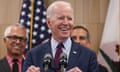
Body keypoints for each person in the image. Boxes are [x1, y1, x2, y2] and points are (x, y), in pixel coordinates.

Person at [22, 1, 98, 72]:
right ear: (49, 23)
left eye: (69, 19)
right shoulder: (33, 54)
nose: (66, 23)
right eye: (61, 18)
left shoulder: (89, 55)